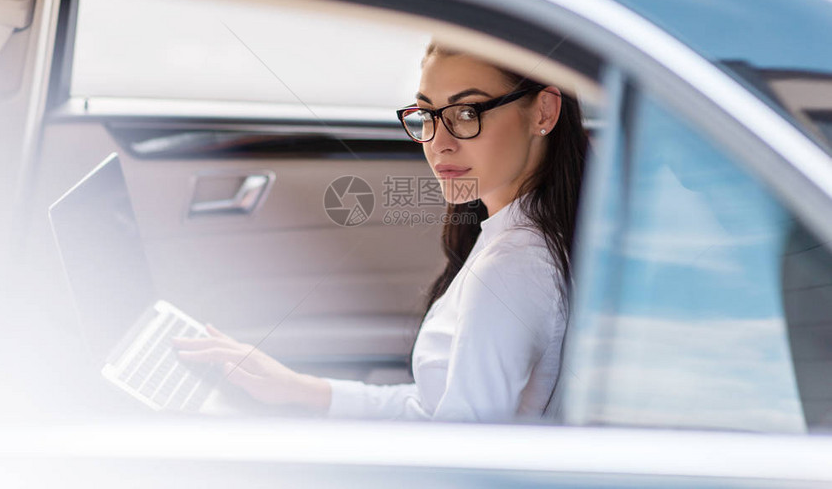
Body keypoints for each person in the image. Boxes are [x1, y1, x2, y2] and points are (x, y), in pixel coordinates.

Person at [173, 42, 589, 422]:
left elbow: (463, 456)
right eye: (427, 115)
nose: (438, 142)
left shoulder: (511, 266)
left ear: (543, 112)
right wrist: (299, 389)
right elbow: (436, 411)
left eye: (467, 113)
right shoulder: (525, 233)